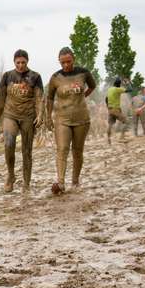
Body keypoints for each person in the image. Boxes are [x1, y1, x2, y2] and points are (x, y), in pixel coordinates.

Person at [0, 49, 44, 193]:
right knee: (9, 144)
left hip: (28, 116)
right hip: (10, 114)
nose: (20, 65)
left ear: (27, 61)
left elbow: (39, 98)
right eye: (18, 62)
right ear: (14, 62)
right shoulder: (7, 76)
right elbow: (0, 99)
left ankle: (26, 183)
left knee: (27, 151)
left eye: (23, 62)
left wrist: (40, 115)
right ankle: (10, 176)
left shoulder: (35, 76)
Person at [45, 47, 96, 195]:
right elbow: (49, 98)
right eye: (63, 63)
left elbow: (92, 86)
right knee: (62, 149)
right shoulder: (55, 77)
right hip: (62, 119)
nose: (66, 65)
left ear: (73, 58)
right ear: (59, 62)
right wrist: (48, 116)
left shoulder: (83, 73)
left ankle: (75, 181)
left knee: (77, 151)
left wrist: (83, 97)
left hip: (82, 119)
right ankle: (60, 182)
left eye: (68, 61)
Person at [105, 78, 128, 145]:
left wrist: (108, 106)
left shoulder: (109, 89)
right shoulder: (118, 89)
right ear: (119, 84)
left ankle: (109, 139)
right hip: (116, 109)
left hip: (110, 109)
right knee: (126, 121)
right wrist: (128, 83)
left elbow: (106, 98)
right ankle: (122, 137)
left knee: (110, 124)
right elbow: (130, 90)